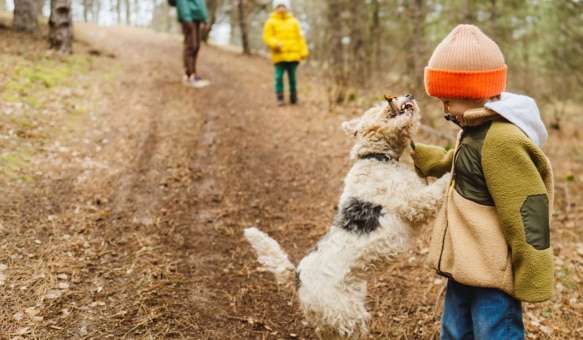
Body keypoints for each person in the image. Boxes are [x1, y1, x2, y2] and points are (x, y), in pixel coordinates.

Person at [411, 24, 554, 339]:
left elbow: (527, 207)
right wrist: (417, 155)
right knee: (454, 329)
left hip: (492, 273)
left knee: (493, 331)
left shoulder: (502, 140)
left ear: (474, 92)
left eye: (449, 101)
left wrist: (534, 271)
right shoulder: (475, 129)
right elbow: (458, 162)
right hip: (464, 263)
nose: (444, 109)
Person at [263, 0, 309, 106]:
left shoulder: (294, 21)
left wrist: (303, 52)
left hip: (293, 55)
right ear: (275, 8)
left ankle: (294, 97)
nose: (281, 9)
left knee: (293, 78)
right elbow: (267, 37)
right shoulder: (270, 22)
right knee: (279, 77)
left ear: (287, 8)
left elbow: (300, 38)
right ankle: (280, 98)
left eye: (283, 6)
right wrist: (275, 44)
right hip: (279, 55)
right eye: (279, 6)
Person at [176, 0, 210, 88]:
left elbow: (201, 3)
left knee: (196, 46)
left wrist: (205, 19)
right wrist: (186, 18)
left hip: (197, 18)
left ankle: (193, 74)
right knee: (191, 46)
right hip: (189, 18)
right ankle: (189, 75)